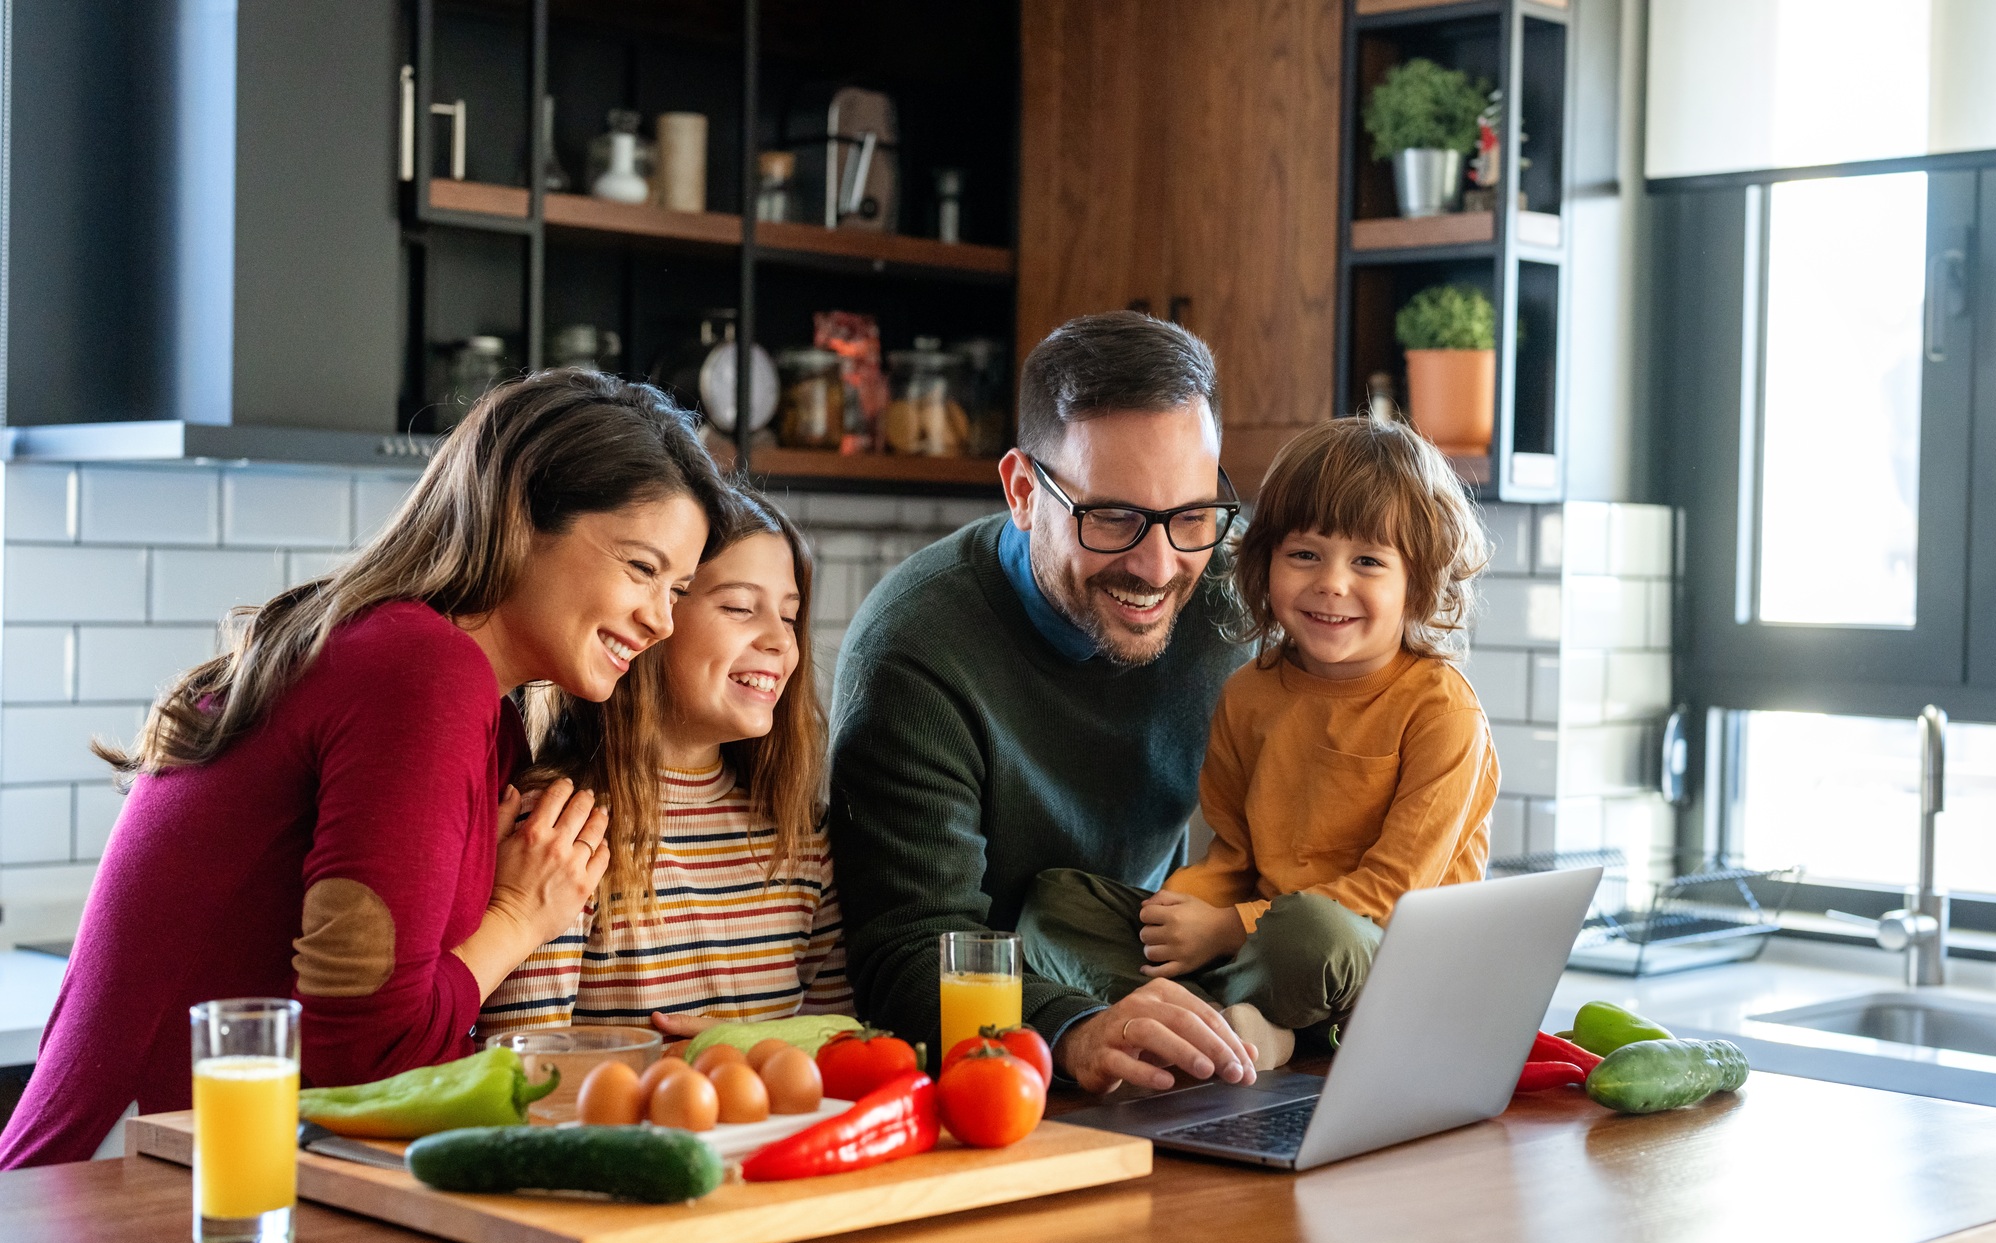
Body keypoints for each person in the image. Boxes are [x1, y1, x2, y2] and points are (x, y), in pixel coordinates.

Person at [0, 370, 729, 1168]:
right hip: (130, 1186)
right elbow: (368, 1056)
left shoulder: (464, 700)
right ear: (523, 516)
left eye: (679, 588)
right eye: (641, 568)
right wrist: (520, 914)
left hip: (215, 1168)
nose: (663, 619)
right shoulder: (422, 673)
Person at [830, 311, 1260, 1095]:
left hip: (1162, 1031)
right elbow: (905, 956)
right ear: (1024, 491)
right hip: (996, 1077)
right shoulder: (913, 654)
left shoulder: (1231, 602)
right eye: (1114, 517)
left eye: (1192, 515)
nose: (1159, 565)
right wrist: (1074, 1028)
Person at [1025, 417, 1498, 1067]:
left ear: (1418, 580)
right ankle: (1230, 1023)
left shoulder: (1442, 710)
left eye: (1367, 561)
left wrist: (1226, 928)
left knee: (1311, 933)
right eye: (1305, 554)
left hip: (1380, 960)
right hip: (1261, 944)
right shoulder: (1248, 693)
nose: (1332, 583)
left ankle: (1248, 1025)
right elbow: (1236, 856)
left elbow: (1394, 894)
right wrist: (1184, 911)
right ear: (1265, 560)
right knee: (1055, 907)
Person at [479, 490, 851, 1037]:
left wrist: (737, 1049)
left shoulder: (804, 836)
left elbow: (840, 1048)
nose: (780, 640)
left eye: (790, 616)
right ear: (652, 621)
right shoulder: (561, 834)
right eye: (739, 607)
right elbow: (525, 1067)